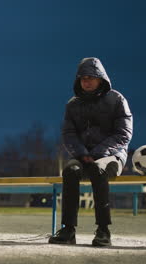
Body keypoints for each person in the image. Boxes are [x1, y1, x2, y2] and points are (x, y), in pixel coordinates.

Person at [48, 57, 133, 246]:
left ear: (101, 79)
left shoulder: (117, 99)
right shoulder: (72, 104)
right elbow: (68, 133)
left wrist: (96, 153)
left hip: (112, 156)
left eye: (91, 77)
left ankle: (103, 230)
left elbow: (123, 134)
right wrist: (81, 153)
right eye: (83, 78)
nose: (86, 81)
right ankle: (68, 230)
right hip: (83, 156)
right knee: (70, 171)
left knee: (98, 169)